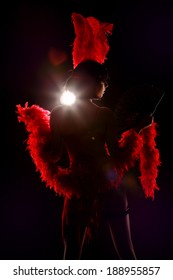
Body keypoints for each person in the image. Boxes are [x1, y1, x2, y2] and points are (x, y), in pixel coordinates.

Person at [49, 59, 153, 260]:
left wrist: (40, 138)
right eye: (104, 82)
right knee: (126, 252)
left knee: (71, 254)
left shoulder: (58, 114)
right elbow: (117, 155)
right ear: (96, 83)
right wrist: (138, 130)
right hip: (108, 185)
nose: (106, 87)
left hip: (77, 187)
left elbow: (54, 156)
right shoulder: (104, 115)